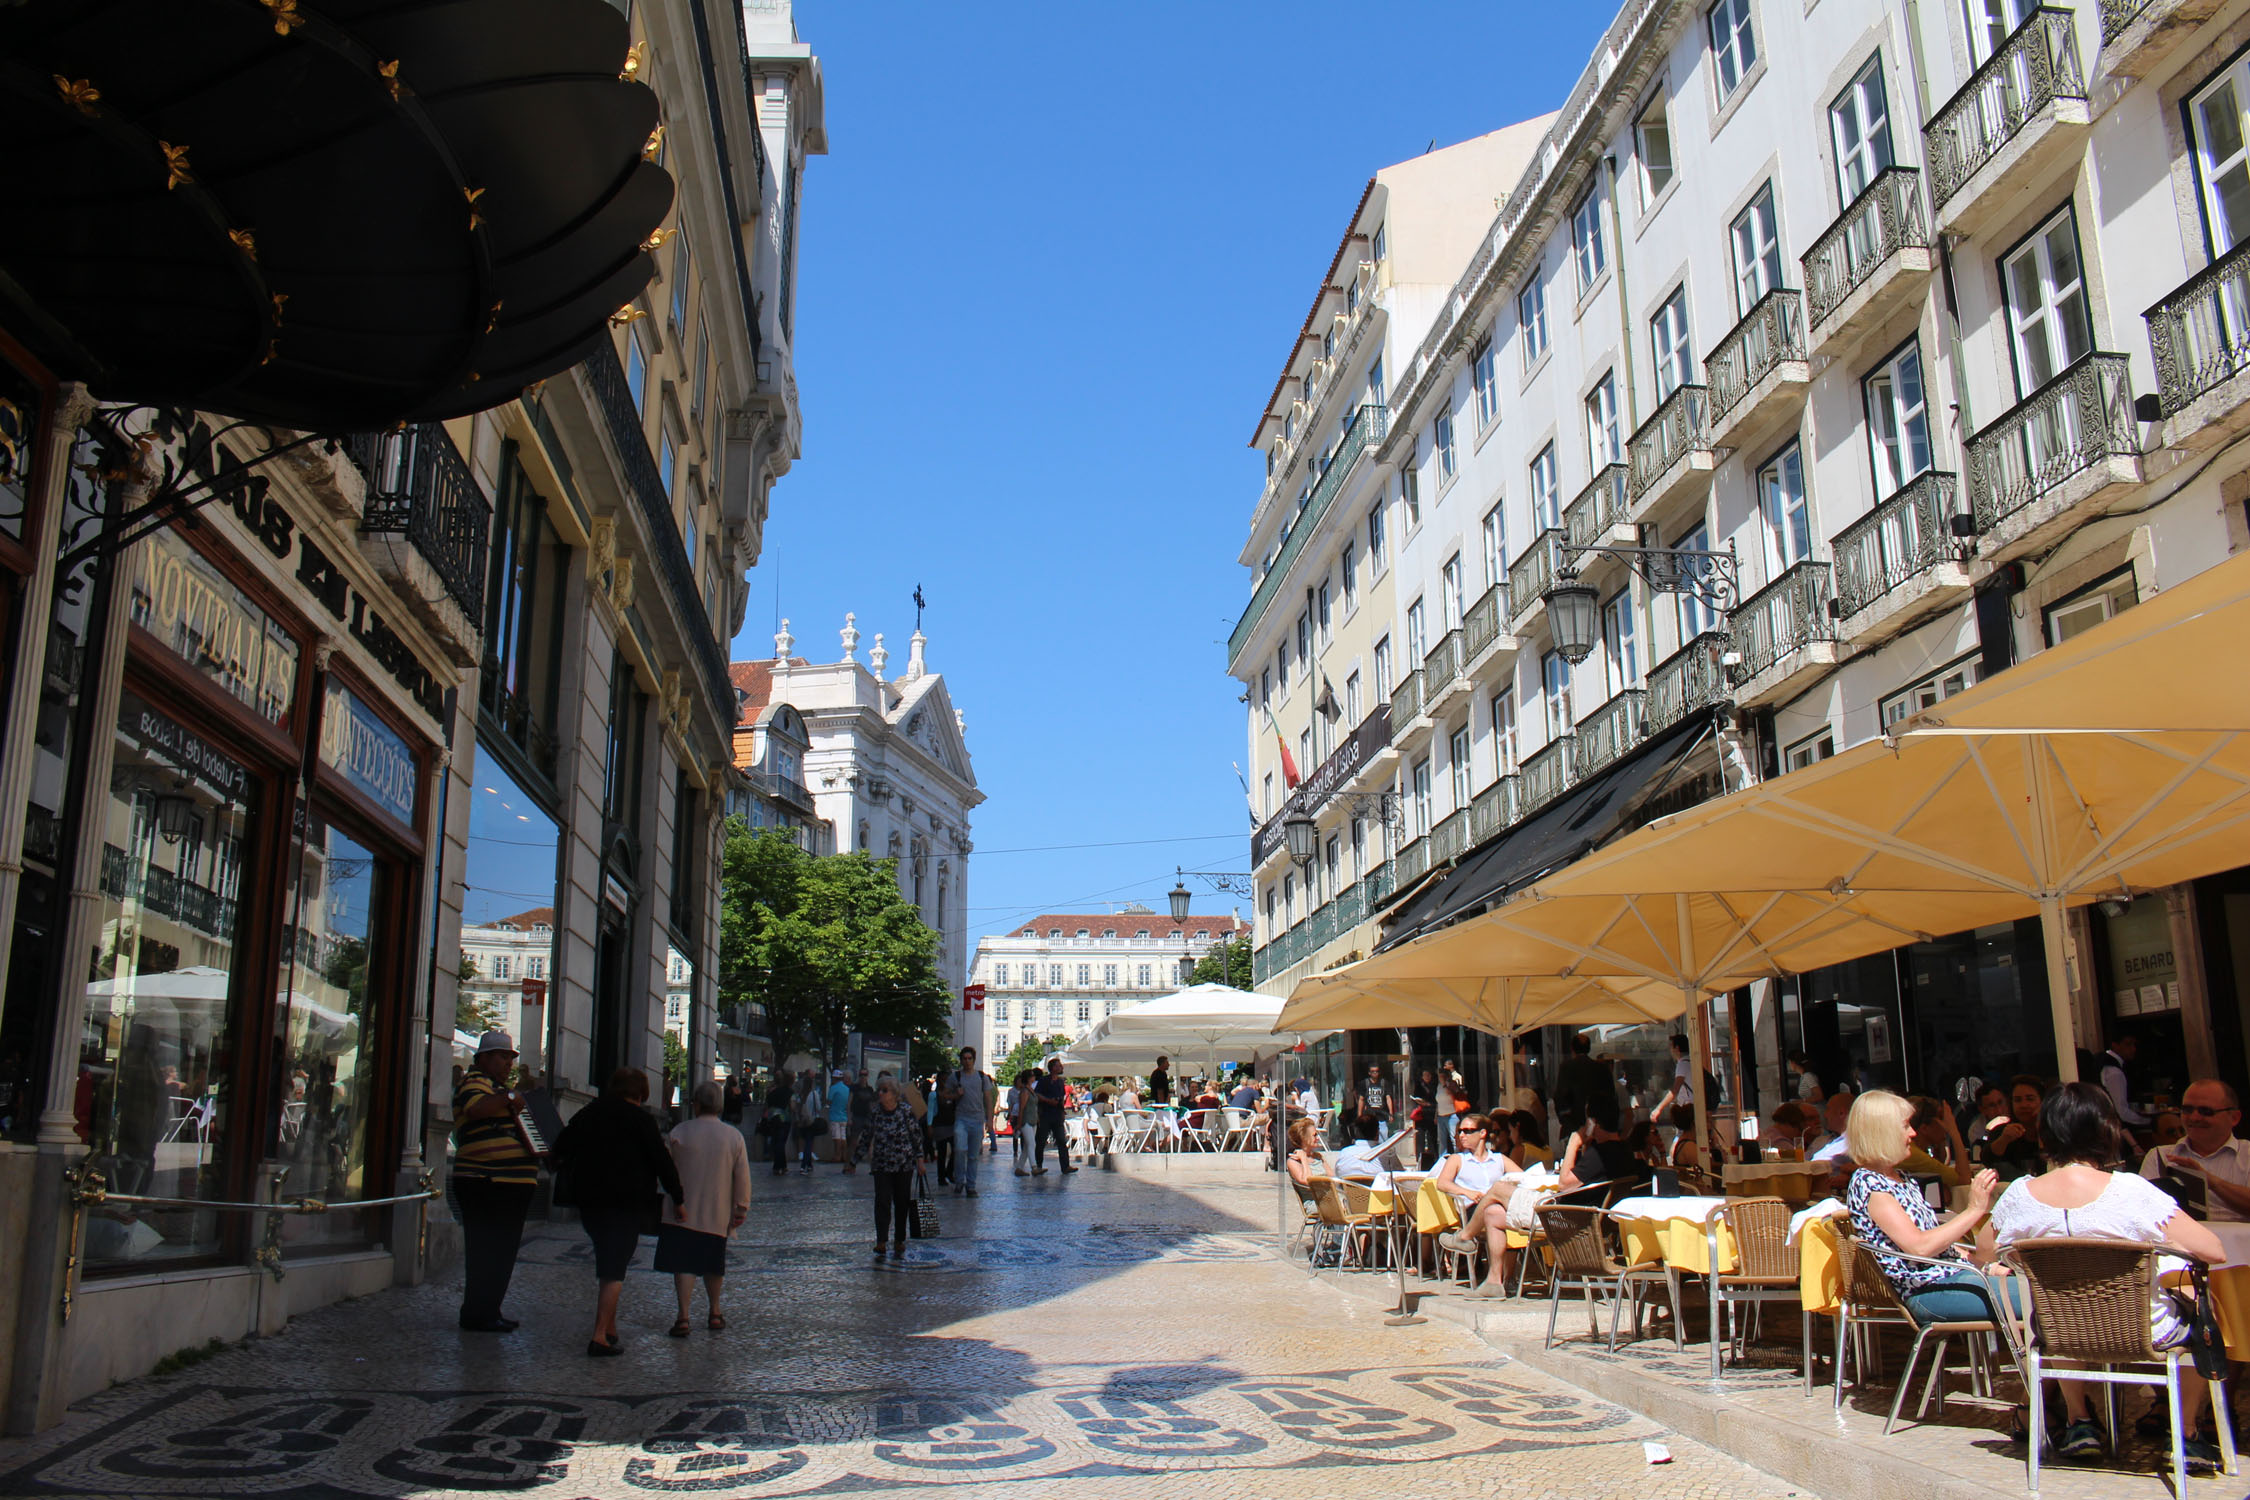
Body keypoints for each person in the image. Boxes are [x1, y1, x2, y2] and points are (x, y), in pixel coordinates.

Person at [1993, 1082, 2229, 1468]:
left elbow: (1989, 1250)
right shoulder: (2132, 1191)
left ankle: (2078, 1420)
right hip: (2142, 1331)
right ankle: (2186, 1435)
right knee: (2202, 1312)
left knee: (2062, 1306)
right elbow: (2212, 1250)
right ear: (2106, 1129)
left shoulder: (2020, 1194)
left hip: (2058, 1333)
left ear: (2046, 1131)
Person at [1841, 1091, 2013, 1333]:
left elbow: (1940, 1246)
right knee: (2040, 1299)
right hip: (1927, 1292)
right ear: (1882, 1132)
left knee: (2036, 1290)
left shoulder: (1901, 1179)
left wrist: (1987, 1268)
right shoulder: (1872, 1184)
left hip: (1949, 1280)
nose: (1913, 1133)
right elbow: (1920, 1247)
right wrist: (1974, 1210)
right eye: (1904, 1127)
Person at [550, 1067, 684, 1357]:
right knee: (614, 1268)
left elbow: (560, 1145)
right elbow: (662, 1163)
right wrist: (678, 1197)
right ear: (641, 1092)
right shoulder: (642, 1121)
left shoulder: (590, 1113)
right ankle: (599, 1335)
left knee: (609, 1258)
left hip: (589, 1200)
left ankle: (610, 1329)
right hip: (626, 1202)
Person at [450, 1030, 539, 1334]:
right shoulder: (476, 1083)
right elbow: (477, 1109)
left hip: (508, 1183)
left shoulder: (500, 1089)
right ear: (483, 1058)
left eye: (510, 1058)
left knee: (501, 1251)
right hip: (485, 1180)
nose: (508, 1064)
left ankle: (488, 1309)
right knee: (487, 1249)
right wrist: (512, 1096)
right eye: (502, 1057)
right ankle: (478, 1312)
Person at [659, 1080, 750, 1336]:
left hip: (683, 1210)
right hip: (717, 1211)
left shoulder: (679, 1132)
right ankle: (715, 1311)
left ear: (697, 1104)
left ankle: (684, 1316)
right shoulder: (733, 1136)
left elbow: (666, 1172)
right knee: (713, 1263)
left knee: (684, 1263)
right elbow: (742, 1177)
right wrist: (741, 1208)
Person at [1432, 1112, 1524, 1293]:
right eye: (1460, 1131)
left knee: (1500, 1209)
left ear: (1482, 1133)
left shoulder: (1499, 1159)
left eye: (1467, 1131)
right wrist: (1468, 1192)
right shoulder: (1458, 1159)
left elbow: (1522, 1177)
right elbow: (1442, 1183)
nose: (1461, 1135)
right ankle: (1507, 1278)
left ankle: (1503, 1277)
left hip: (1498, 1209)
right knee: (1497, 1208)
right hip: (1473, 1210)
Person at [2140, 1078, 2250, 1221]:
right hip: (2182, 1240)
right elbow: (2141, 1211)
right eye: (2187, 1110)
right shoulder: (2159, 1156)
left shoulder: (2247, 1154)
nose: (2194, 1117)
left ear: (2234, 1117)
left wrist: (2208, 1181)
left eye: (2206, 1111)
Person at [865, 1077, 928, 1257]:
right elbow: (867, 1135)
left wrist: (920, 1160)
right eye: (879, 1090)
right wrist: (853, 1160)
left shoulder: (906, 1111)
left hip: (903, 1164)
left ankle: (899, 1239)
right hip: (882, 1165)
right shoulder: (876, 1112)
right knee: (882, 1202)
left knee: (901, 1203)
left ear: (894, 1094)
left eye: (884, 1090)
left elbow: (916, 1137)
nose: (880, 1093)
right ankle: (881, 1241)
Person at [941, 1046, 995, 1197]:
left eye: (969, 1058)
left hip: (977, 1119)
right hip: (961, 1119)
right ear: (961, 1060)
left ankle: (970, 1185)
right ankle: (959, 1181)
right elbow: (944, 1094)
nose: (967, 1061)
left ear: (974, 1060)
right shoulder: (956, 1077)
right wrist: (955, 1096)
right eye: (964, 1058)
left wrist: (989, 1120)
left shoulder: (981, 1077)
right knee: (959, 1150)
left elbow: (988, 1099)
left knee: (973, 1155)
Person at [1979, 1075, 2047, 1177]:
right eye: (2018, 1100)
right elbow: (1987, 1160)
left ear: (2042, 1101)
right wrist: (2004, 1139)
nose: (2024, 1105)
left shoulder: (2053, 1132)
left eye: (2030, 1099)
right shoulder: (2001, 1131)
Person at [1554, 1033, 1613, 1139]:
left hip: (1574, 1125)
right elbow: (1610, 1097)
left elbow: (1561, 1097)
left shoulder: (1566, 1067)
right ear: (1589, 1048)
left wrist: (1567, 1122)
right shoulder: (1602, 1068)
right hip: (1599, 1127)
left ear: (1572, 1048)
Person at [1031, 1058, 1076, 1175]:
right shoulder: (1044, 1080)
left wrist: (1061, 1111)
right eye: (1059, 1066)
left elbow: (1061, 1097)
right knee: (1041, 1141)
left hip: (1057, 1115)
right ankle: (1038, 1165)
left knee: (1061, 1140)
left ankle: (1065, 1166)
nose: (1062, 1067)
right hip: (1045, 1114)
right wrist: (1048, 1101)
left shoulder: (1061, 1082)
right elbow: (1037, 1094)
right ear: (1053, 1068)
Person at [2097, 1033, 2150, 1130]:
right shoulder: (2114, 1072)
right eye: (2128, 1044)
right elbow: (2121, 1112)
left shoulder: (2104, 1063)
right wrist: (2149, 1122)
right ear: (2115, 1045)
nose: (2133, 1049)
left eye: (2134, 1045)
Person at [1649, 1034, 1695, 1130]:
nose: (1670, 1051)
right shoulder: (1693, 1061)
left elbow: (1675, 1090)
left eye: (1671, 1047)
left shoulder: (1682, 1064)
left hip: (1690, 1111)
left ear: (1677, 1048)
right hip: (1693, 1110)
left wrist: (1658, 1108)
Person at [1332, 1114, 1393, 1182]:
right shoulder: (1385, 1155)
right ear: (1377, 1133)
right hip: (1377, 1192)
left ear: (1356, 1132)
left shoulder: (1344, 1153)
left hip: (1349, 1192)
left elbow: (1338, 1177)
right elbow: (1400, 1179)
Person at [757, 1072, 793, 1176]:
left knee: (776, 1141)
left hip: (772, 1118)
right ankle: (780, 1166)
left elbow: (766, 1105)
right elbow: (792, 1106)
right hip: (785, 1118)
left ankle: (779, 1165)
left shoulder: (770, 1091)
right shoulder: (789, 1092)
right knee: (781, 1142)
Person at [1009, 1068, 1038, 1175]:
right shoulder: (1025, 1092)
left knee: (1027, 1146)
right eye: (1033, 1076)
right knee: (1031, 1143)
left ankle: (1019, 1168)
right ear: (1030, 1078)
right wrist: (1019, 1123)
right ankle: (1034, 1167)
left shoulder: (1030, 1090)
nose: (1034, 1077)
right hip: (1026, 1121)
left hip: (1033, 1120)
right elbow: (1021, 1108)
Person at [1283, 1116, 1325, 1187]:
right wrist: (1304, 1158)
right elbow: (1307, 1181)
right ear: (1304, 1138)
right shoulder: (1293, 1162)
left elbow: (1333, 1178)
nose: (1317, 1138)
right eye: (1314, 1135)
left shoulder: (1318, 1157)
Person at [826, 1070, 855, 1173]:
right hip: (844, 1117)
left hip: (835, 1116)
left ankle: (837, 1155)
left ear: (834, 1078)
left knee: (836, 1137)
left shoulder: (833, 1088)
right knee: (843, 1137)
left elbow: (829, 1101)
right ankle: (844, 1155)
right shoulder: (847, 1089)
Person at [1354, 1064, 1391, 1135]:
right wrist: (1359, 1116)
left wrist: (1391, 1114)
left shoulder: (1384, 1083)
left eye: (1376, 1071)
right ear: (1369, 1073)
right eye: (1373, 1071)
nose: (1375, 1073)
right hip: (1369, 1116)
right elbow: (1361, 1100)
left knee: (1383, 1137)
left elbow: (1388, 1098)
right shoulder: (1365, 1083)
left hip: (1381, 1116)